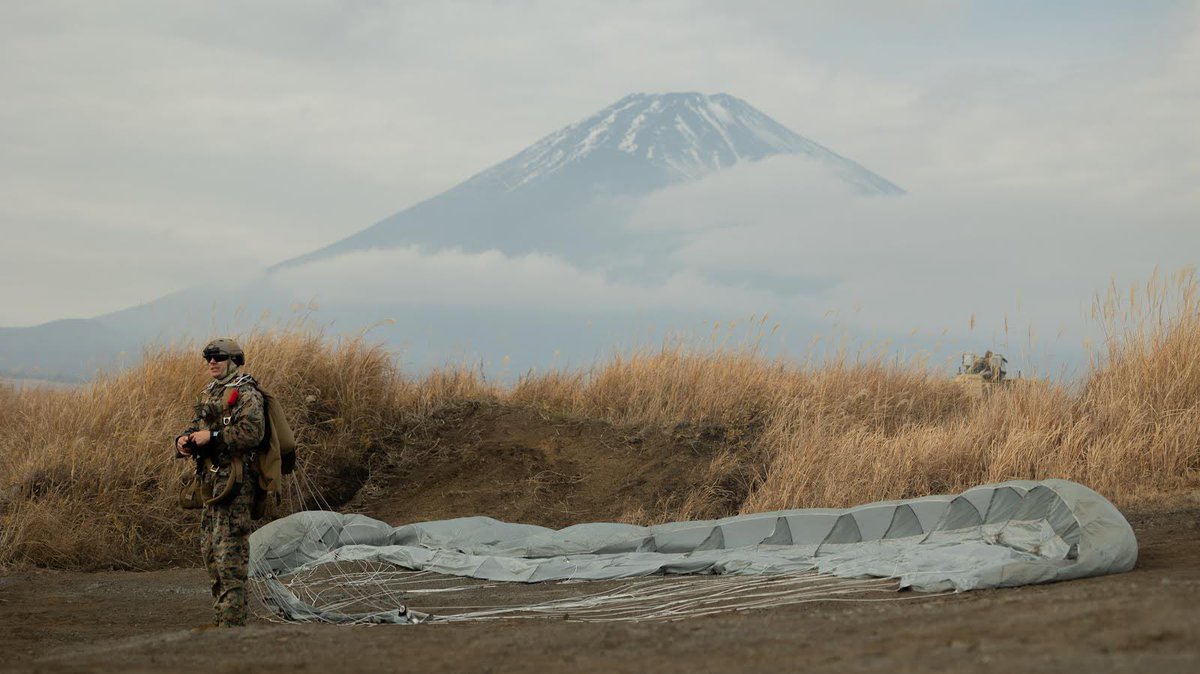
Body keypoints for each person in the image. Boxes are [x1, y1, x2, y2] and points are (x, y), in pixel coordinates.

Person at [175, 338, 264, 628]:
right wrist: (183, 442)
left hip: (235, 484)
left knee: (230, 559)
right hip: (212, 484)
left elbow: (253, 432)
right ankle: (222, 622)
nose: (212, 362)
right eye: (208, 357)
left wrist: (214, 438)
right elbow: (195, 426)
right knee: (211, 554)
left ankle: (232, 628)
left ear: (235, 360)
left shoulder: (246, 392)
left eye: (219, 357)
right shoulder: (210, 392)